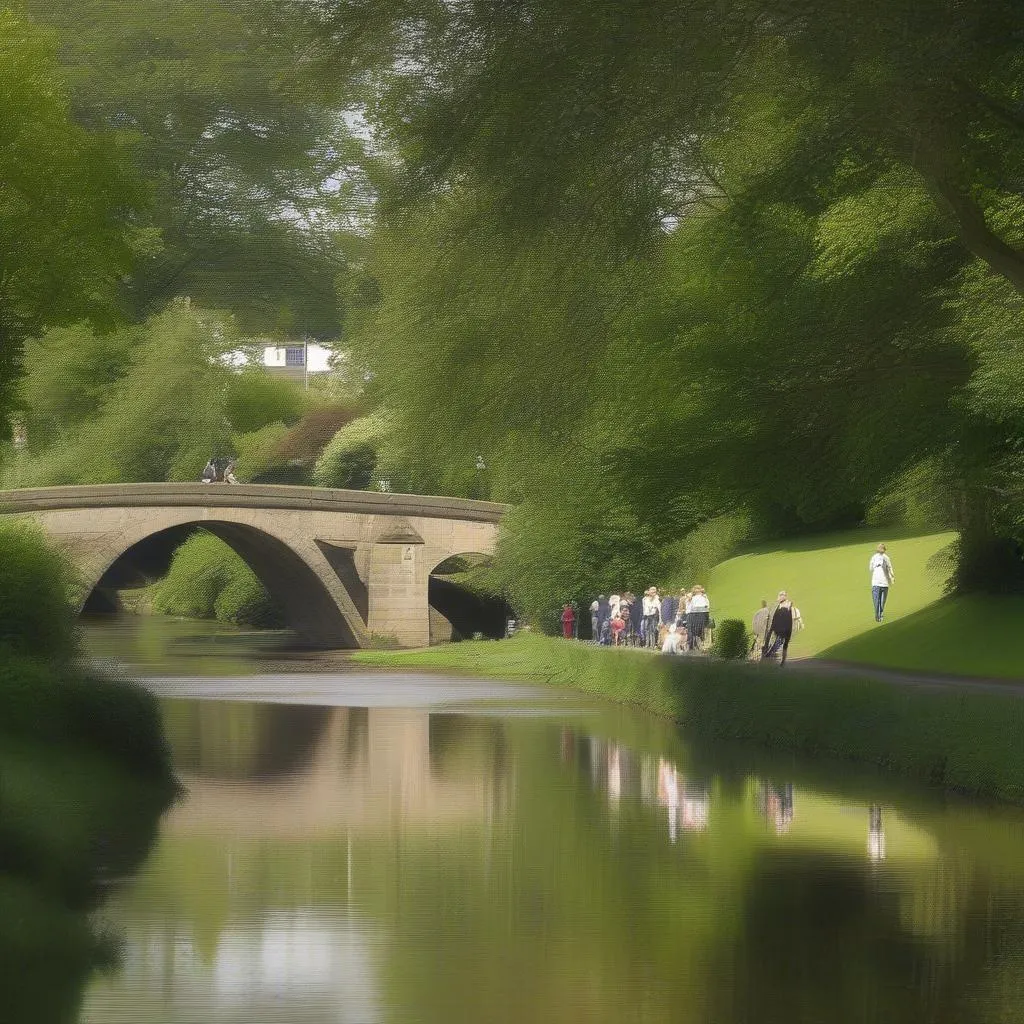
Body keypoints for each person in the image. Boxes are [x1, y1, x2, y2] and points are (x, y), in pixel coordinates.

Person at [763, 591, 796, 665]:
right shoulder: (782, 605)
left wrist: (773, 626)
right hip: (786, 628)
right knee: (784, 644)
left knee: (781, 642)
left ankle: (770, 654)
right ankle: (782, 661)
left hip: (784, 628)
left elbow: (777, 617)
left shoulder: (784, 606)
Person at [869, 543, 895, 622]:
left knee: (880, 602)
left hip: (884, 584)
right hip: (877, 584)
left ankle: (879, 615)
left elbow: (890, 568)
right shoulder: (874, 558)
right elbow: (870, 568)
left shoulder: (886, 558)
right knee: (878, 602)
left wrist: (892, 577)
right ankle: (878, 616)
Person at [688, 585, 710, 651]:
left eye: (697, 589)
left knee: (700, 631)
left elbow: (707, 606)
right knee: (697, 632)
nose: (696, 591)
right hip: (697, 615)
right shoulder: (694, 598)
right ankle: (700, 646)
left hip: (701, 615)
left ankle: (702, 646)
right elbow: (691, 608)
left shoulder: (704, 597)